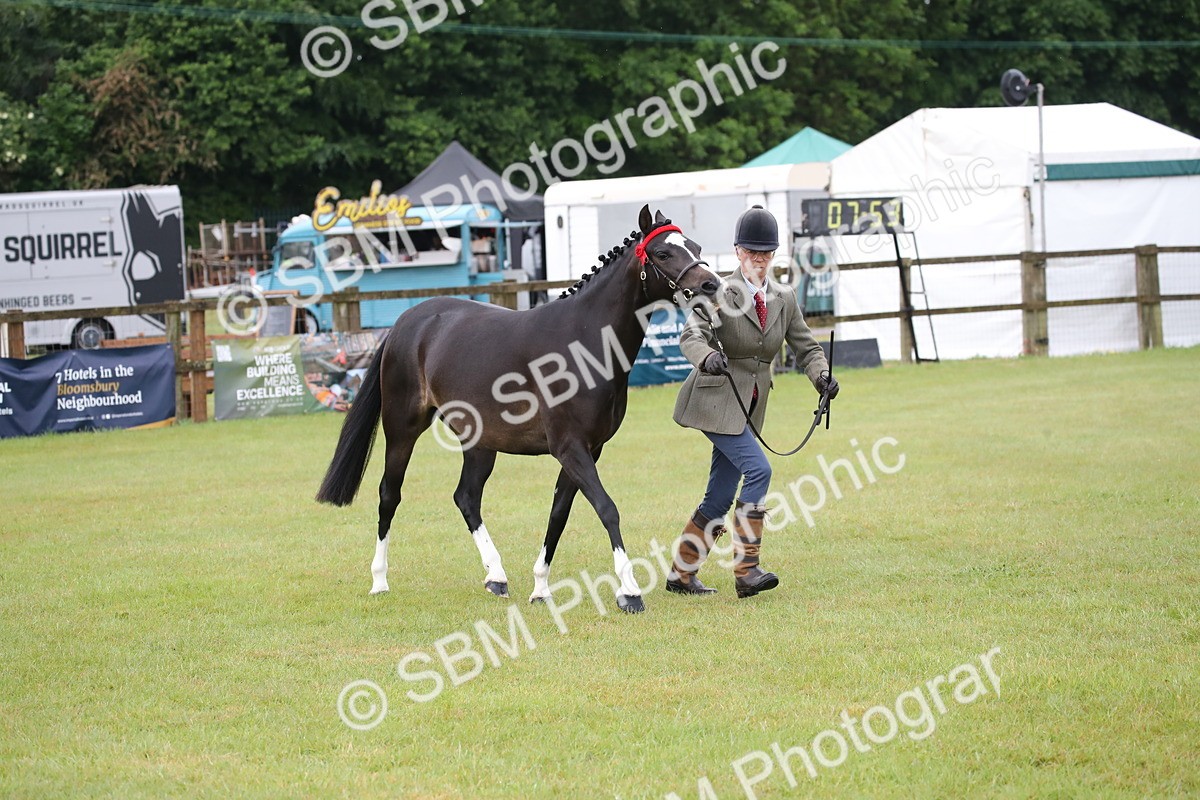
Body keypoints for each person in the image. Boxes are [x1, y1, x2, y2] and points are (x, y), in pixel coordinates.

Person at [667, 205, 840, 599]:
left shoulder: (784, 297)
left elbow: (806, 347)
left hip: (750, 406)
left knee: (720, 494)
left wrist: (822, 377)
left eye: (765, 252)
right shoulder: (717, 292)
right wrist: (707, 357)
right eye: (750, 251)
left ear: (774, 254)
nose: (758, 259)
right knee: (759, 470)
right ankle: (746, 570)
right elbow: (691, 336)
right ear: (737, 251)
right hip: (715, 398)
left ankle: (681, 573)